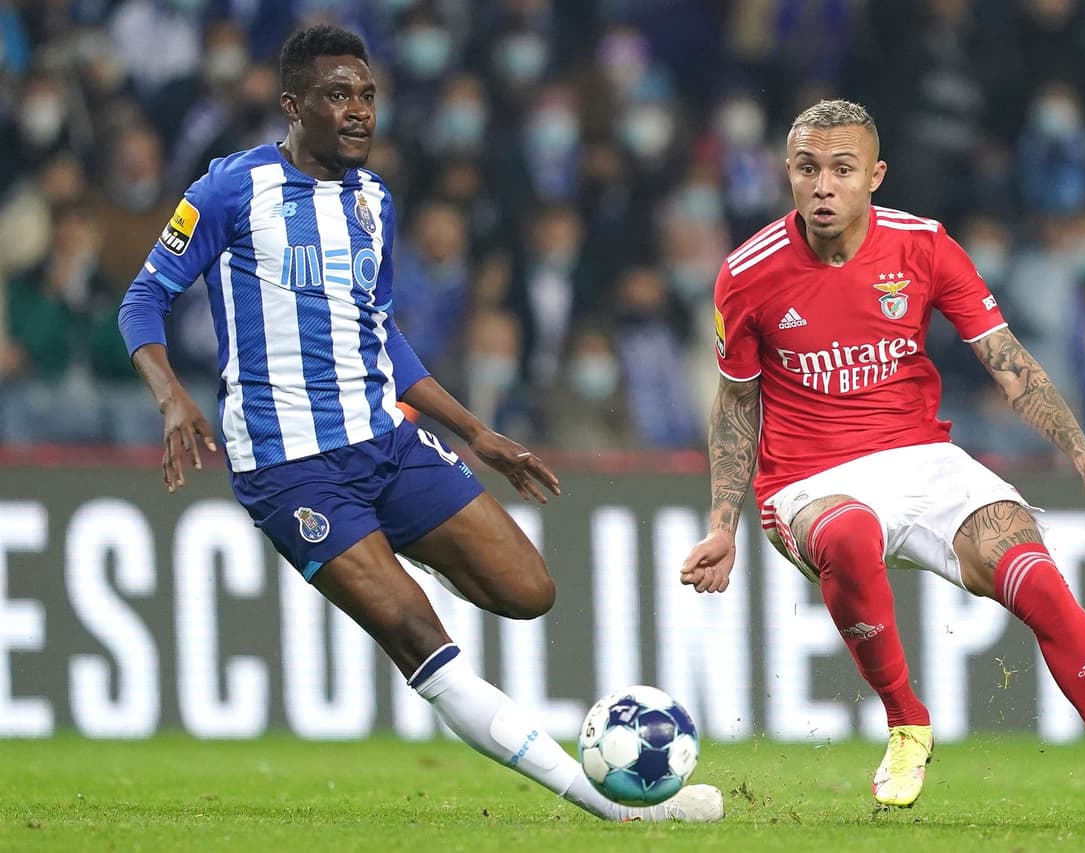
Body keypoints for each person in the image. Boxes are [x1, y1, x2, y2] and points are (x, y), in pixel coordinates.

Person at [117, 24, 721, 824]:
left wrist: (477, 432)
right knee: (416, 634)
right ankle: (610, 808)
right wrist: (172, 398)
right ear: (294, 106)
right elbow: (142, 299)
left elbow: (380, 331)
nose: (360, 111)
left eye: (367, 94)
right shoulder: (231, 190)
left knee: (529, 590)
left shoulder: (375, 201)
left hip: (386, 442)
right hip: (290, 465)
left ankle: (397, 541)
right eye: (339, 95)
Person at [679, 99, 1085, 825]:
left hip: (923, 459)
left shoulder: (925, 246)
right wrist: (722, 523)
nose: (823, 186)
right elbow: (736, 406)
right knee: (849, 535)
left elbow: (1009, 364)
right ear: (789, 175)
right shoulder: (748, 274)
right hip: (809, 480)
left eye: (842, 169)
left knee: (1041, 583)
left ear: (876, 175)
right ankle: (908, 720)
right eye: (807, 169)